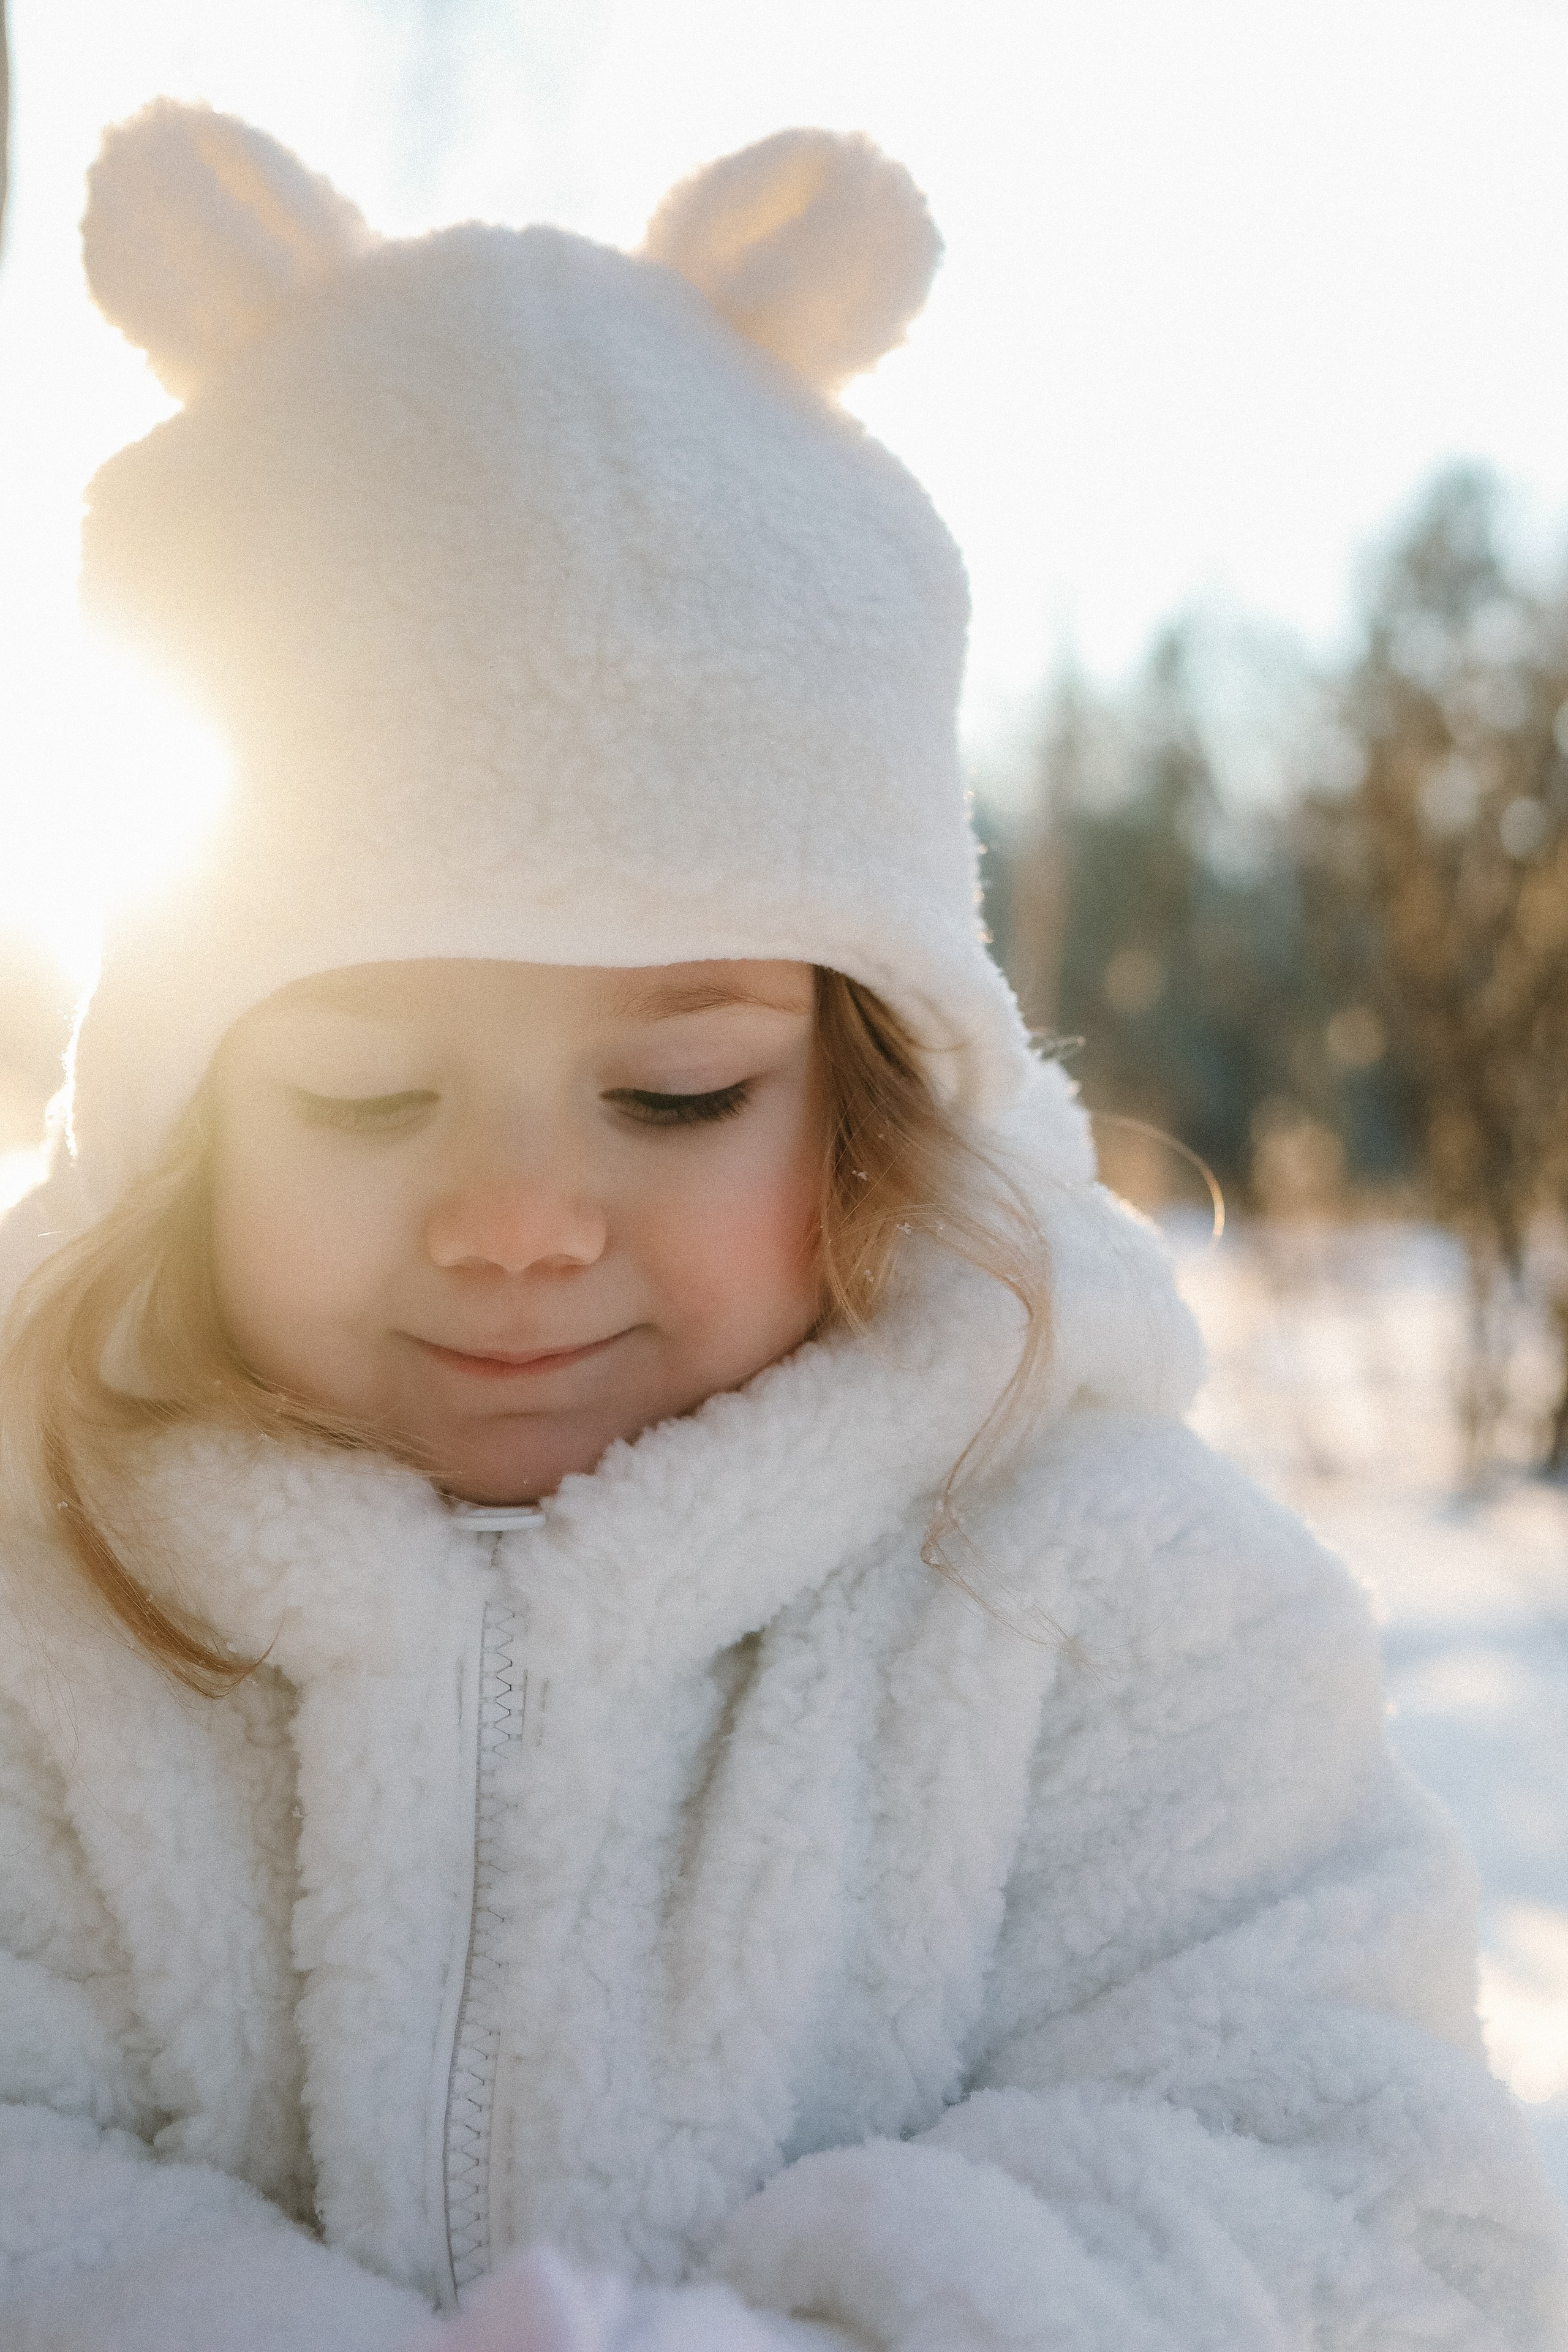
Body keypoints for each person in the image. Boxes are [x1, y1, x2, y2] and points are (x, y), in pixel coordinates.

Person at [0, 97, 1561, 2352]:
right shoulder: (53, 1612)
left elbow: (1357, 2199)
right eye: (361, 1091)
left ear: (865, 1088)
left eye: (676, 1093)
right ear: (179, 1111)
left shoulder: (1106, 1612)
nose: (520, 1221)